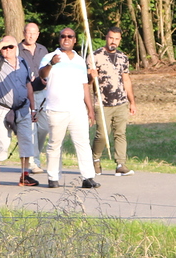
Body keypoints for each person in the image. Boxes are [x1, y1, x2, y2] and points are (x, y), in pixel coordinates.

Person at [38, 28, 99, 190]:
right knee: (55, 144)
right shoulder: (50, 57)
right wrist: (51, 64)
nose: (66, 39)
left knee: (83, 143)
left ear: (74, 40)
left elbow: (84, 85)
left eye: (70, 36)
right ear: (59, 39)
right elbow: (42, 75)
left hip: (77, 109)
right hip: (56, 109)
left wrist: (90, 109)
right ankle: (53, 177)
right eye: (63, 36)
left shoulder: (79, 61)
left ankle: (88, 177)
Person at [0, 35, 39, 186]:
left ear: (16, 48)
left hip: (23, 108)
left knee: (26, 141)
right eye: (4, 47)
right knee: (2, 141)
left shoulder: (23, 63)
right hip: (3, 109)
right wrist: (1, 44)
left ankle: (24, 176)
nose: (7, 49)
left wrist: (33, 108)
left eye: (10, 46)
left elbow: (28, 85)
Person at [89, 26, 136, 176]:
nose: (113, 41)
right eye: (111, 38)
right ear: (106, 37)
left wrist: (132, 101)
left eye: (116, 39)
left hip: (121, 102)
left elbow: (126, 80)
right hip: (102, 103)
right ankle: (95, 159)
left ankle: (121, 164)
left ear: (120, 40)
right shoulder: (95, 56)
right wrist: (91, 75)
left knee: (120, 133)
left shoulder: (123, 57)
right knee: (102, 135)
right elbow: (87, 81)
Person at [17, 21, 50, 163]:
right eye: (28, 33)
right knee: (31, 129)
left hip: (43, 93)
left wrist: (46, 79)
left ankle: (36, 155)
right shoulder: (17, 50)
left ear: (38, 34)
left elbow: (48, 69)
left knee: (44, 128)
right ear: (24, 33)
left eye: (34, 33)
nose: (31, 36)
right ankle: (33, 162)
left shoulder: (43, 50)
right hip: (25, 95)